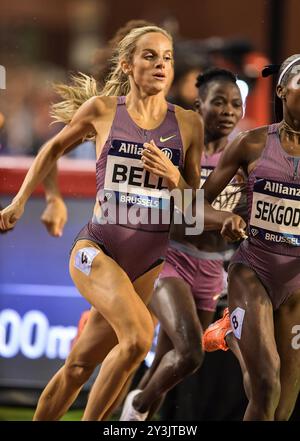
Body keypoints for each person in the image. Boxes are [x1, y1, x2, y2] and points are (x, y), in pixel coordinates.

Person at [0, 25, 205, 421]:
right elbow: (51, 149)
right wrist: (22, 201)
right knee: (139, 337)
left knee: (79, 366)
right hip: (97, 248)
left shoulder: (189, 125)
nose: (161, 64)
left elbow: (193, 215)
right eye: (150, 56)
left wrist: (173, 177)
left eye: (167, 57)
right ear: (127, 64)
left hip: (147, 264)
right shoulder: (103, 110)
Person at [120, 68, 246, 421]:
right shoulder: (175, 147)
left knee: (167, 362)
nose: (228, 110)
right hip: (169, 258)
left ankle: (131, 420)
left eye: (236, 104)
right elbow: (174, 210)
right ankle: (138, 406)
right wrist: (218, 219)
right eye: (218, 102)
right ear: (198, 105)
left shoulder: (245, 157)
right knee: (190, 351)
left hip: (211, 270)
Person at [202, 54, 300, 420]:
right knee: (266, 383)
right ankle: (234, 320)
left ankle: (230, 330)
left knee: (282, 409)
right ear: (280, 91)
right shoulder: (251, 144)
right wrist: (224, 217)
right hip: (253, 270)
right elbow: (196, 206)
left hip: (297, 283)